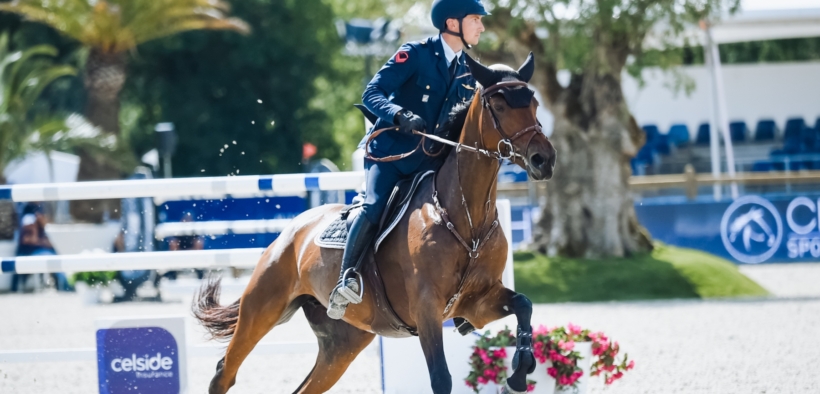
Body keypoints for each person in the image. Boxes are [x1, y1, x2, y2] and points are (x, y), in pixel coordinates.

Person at [327, 0, 488, 319]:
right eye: (475, 19)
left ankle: (467, 293)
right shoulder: (415, 53)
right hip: (390, 153)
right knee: (374, 205)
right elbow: (371, 94)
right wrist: (400, 114)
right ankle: (347, 279)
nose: (481, 26)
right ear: (453, 24)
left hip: (431, 161)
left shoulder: (468, 70)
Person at [12, 203, 72, 292]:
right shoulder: (29, 218)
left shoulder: (37, 217)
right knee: (54, 260)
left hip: (37, 249)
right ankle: (65, 287)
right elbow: (30, 239)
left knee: (57, 260)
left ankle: (65, 286)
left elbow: (45, 232)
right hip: (31, 251)